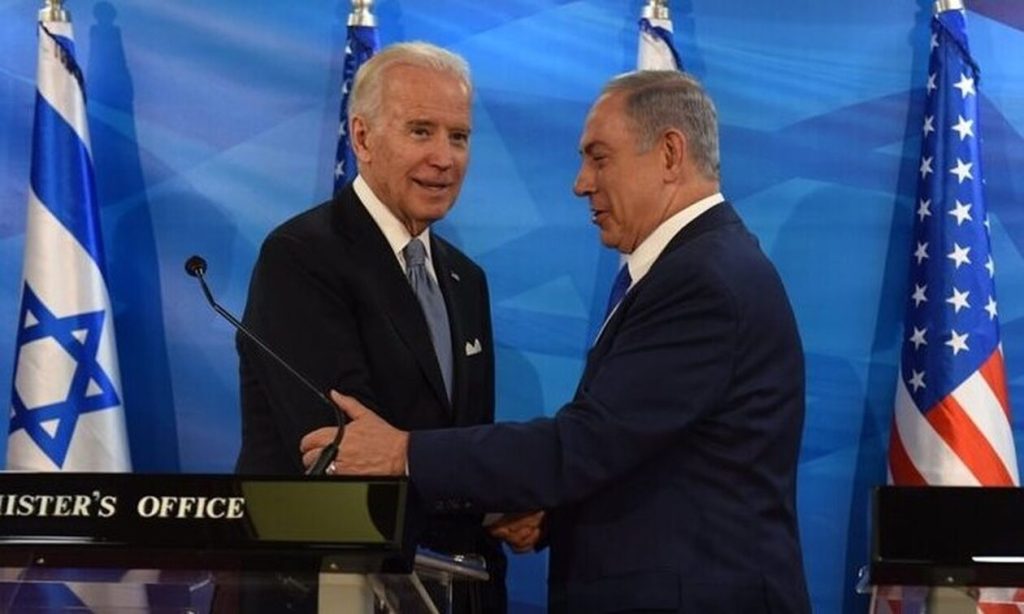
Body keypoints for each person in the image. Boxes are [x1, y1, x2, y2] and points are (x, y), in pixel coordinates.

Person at [302, 69, 811, 613]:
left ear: (669, 154)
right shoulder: (700, 267)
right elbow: (645, 451)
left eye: (599, 158)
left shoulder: (703, 280)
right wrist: (553, 511)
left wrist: (404, 453)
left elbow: (589, 440)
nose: (581, 183)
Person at [236, 42, 505, 613]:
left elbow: (458, 434)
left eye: (459, 136)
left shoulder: (466, 278)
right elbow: (343, 447)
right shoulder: (302, 256)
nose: (444, 157)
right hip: (324, 588)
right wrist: (481, 485)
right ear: (362, 138)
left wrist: (496, 504)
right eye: (421, 131)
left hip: (450, 585)